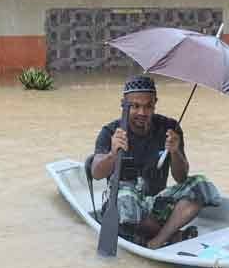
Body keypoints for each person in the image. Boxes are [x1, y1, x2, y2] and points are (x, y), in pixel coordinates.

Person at [91, 75, 221, 249]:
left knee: (200, 185)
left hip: (157, 203)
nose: (142, 113)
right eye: (135, 106)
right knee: (126, 200)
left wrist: (175, 152)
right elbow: (96, 173)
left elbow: (181, 177)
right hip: (123, 205)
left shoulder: (170, 128)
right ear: (124, 104)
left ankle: (157, 240)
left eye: (148, 106)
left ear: (155, 104)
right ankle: (173, 235)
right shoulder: (110, 131)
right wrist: (113, 153)